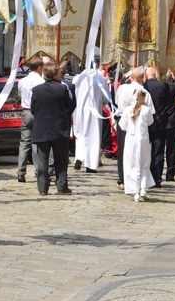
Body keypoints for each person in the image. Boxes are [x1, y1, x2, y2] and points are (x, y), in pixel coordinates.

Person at [31, 62, 76, 196]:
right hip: (59, 129)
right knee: (61, 160)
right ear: (55, 74)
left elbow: (33, 109)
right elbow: (69, 106)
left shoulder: (36, 90)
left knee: (42, 161)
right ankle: (61, 187)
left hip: (42, 129)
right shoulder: (62, 89)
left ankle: (42, 188)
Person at [143, 67, 175, 186]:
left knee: (150, 150)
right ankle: (166, 175)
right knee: (167, 150)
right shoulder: (168, 87)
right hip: (166, 121)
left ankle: (149, 176)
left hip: (152, 121)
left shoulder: (145, 86)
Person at [114, 67, 154, 190]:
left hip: (123, 120)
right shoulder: (144, 92)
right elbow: (151, 112)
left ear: (131, 78)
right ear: (143, 78)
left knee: (124, 151)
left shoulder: (122, 89)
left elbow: (117, 102)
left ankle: (122, 179)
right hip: (138, 123)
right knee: (138, 153)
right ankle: (138, 181)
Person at [118, 88, 155, 202]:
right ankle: (142, 188)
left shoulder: (127, 110)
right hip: (143, 141)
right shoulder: (146, 110)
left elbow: (122, 126)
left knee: (132, 165)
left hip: (131, 141)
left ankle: (136, 191)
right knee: (144, 164)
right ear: (143, 98)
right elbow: (150, 122)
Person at [72, 66, 108, 173]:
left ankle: (79, 157)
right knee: (93, 137)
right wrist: (101, 104)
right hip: (94, 111)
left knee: (80, 134)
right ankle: (91, 164)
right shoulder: (101, 79)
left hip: (79, 111)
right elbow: (105, 97)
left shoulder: (77, 78)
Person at [16, 56, 45, 182]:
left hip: (26, 111)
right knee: (37, 143)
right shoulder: (41, 81)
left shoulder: (22, 81)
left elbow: (19, 94)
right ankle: (38, 170)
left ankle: (20, 172)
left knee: (24, 143)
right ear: (39, 68)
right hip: (38, 112)